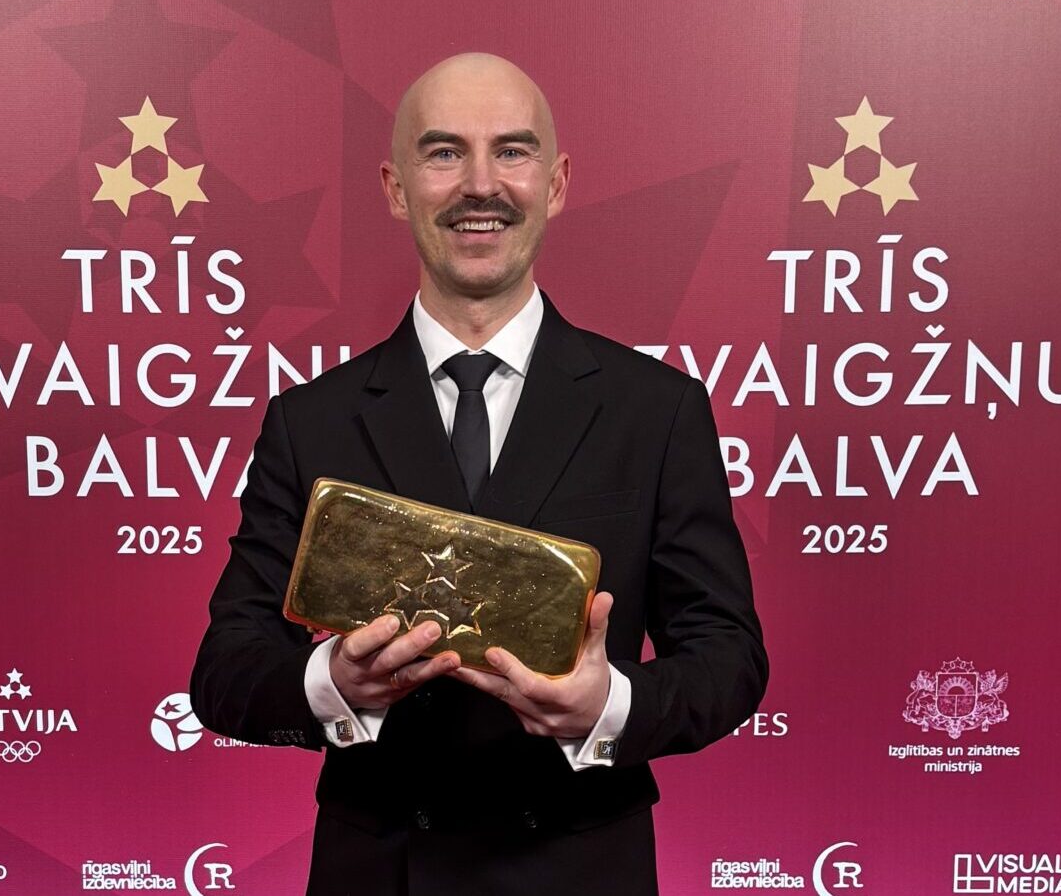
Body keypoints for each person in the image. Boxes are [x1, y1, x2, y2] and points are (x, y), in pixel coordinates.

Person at [190, 52, 766, 896]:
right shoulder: (310, 420)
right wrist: (334, 686)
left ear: (556, 183)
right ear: (396, 189)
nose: (481, 185)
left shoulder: (657, 409)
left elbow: (728, 656)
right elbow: (225, 669)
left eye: (512, 150)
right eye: (444, 152)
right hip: (382, 875)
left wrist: (608, 708)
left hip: (581, 873)